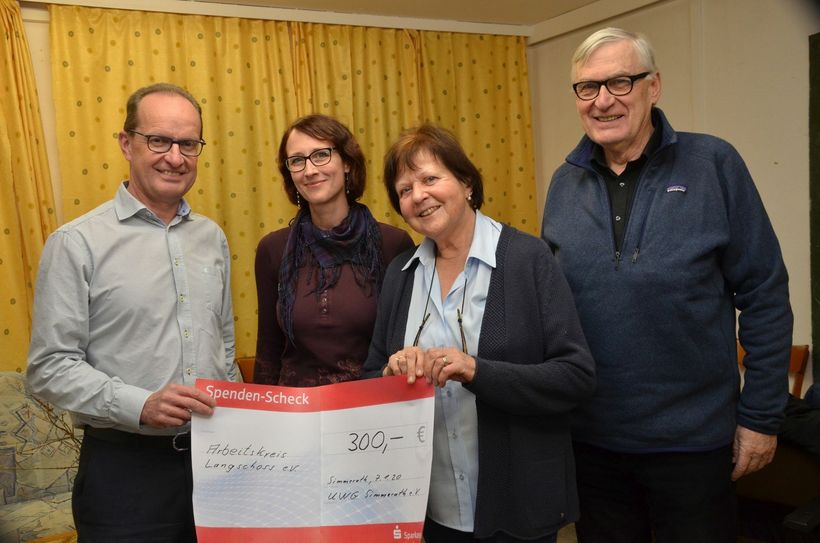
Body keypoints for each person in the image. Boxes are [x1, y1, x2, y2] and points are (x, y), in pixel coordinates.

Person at [541, 27, 793, 542]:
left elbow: (765, 291)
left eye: (620, 82)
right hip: (592, 445)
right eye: (587, 88)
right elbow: (550, 304)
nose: (603, 100)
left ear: (653, 86)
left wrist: (762, 417)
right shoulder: (564, 182)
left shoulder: (713, 164)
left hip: (694, 447)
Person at [363, 124, 596, 542]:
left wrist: (476, 371)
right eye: (404, 189)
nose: (418, 195)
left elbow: (575, 377)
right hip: (426, 509)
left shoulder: (528, 259)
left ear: (466, 182)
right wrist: (390, 373)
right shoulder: (400, 277)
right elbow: (369, 380)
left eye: (431, 178)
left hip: (517, 504)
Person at [27, 83, 236, 541]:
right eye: (158, 140)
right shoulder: (76, 243)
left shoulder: (211, 238)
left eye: (188, 144)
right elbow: (47, 367)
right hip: (124, 476)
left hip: (216, 464)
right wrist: (140, 404)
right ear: (127, 143)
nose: (175, 158)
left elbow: (224, 346)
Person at [254, 114, 413, 387]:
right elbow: (268, 349)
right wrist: (259, 420)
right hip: (296, 413)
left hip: (369, 412)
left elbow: (404, 345)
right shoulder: (273, 249)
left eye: (321, 155)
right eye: (297, 160)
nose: (310, 170)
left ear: (347, 163)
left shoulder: (393, 244)